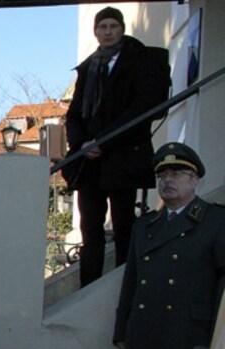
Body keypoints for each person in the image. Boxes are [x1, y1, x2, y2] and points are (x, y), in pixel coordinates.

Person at [113, 142, 225, 349]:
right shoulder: (144, 226)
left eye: (177, 173)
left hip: (190, 339)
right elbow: (132, 280)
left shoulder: (215, 221)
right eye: (161, 174)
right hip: (147, 336)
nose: (167, 180)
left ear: (194, 180)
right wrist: (123, 331)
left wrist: (217, 345)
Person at [64, 6, 169, 287]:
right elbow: (74, 113)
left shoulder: (139, 60)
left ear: (121, 29)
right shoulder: (89, 67)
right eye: (102, 27)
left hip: (123, 157)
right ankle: (88, 289)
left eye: (112, 26)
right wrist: (82, 144)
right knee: (90, 230)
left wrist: (103, 142)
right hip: (89, 162)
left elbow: (141, 109)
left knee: (124, 226)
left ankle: (123, 287)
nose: (107, 31)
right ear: (95, 31)